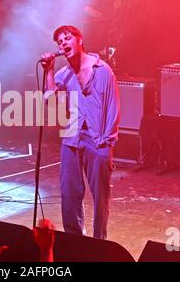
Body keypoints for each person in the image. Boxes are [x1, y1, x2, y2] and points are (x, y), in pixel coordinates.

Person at [41, 25, 119, 239]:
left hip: (98, 141)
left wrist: (106, 142)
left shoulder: (101, 70)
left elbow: (112, 107)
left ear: (79, 40)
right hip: (71, 139)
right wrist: (49, 70)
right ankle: (75, 240)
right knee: (69, 194)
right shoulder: (63, 74)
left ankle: (98, 242)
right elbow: (51, 102)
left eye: (67, 39)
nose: (63, 44)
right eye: (59, 42)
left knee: (100, 198)